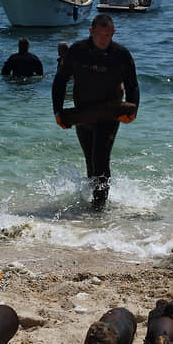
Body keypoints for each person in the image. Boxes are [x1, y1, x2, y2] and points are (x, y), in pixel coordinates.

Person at [52, 14, 139, 210]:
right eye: (100, 35)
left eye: (108, 35)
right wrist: (58, 111)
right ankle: (95, 203)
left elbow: (132, 86)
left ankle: (98, 209)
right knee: (90, 162)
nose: (103, 39)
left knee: (100, 158)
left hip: (110, 114)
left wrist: (133, 110)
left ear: (113, 33)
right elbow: (59, 81)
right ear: (91, 32)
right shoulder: (77, 51)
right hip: (83, 113)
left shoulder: (121, 54)